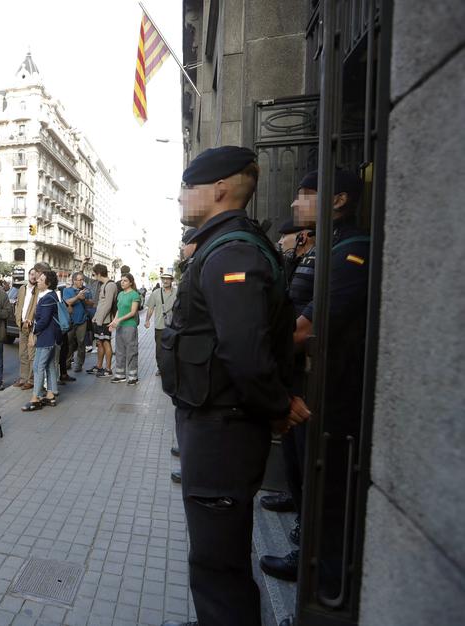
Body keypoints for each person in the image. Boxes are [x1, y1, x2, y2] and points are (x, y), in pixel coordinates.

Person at [159, 146, 310, 626]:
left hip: (222, 428)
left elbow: (245, 350)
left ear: (220, 188)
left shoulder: (232, 252)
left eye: (188, 187)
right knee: (216, 550)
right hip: (217, 421)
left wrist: (276, 405)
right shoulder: (223, 245)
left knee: (217, 559)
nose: (181, 196)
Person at [259, 168, 367, 591]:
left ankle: (324, 590)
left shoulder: (351, 251)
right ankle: (309, 558)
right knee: (305, 475)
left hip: (332, 390)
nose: (293, 202)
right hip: (307, 381)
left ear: (338, 200)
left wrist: (257, 353)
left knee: (328, 491)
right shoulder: (323, 248)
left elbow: (305, 330)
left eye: (306, 194)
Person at [21, 270, 61, 411]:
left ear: (48, 283)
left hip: (46, 338)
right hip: (51, 337)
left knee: (38, 366)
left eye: (41, 279)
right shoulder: (50, 295)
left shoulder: (48, 298)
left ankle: (35, 398)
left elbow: (43, 321)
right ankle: (51, 394)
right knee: (49, 365)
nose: (37, 281)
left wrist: (33, 331)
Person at [109, 272, 142, 385]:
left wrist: (119, 320)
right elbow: (119, 310)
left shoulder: (134, 295)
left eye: (125, 281)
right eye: (121, 280)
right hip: (120, 326)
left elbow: (133, 312)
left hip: (130, 326)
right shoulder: (120, 294)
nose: (122, 283)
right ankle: (120, 375)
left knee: (131, 351)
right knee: (119, 351)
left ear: (131, 283)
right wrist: (114, 322)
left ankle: (133, 377)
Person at [145, 270, 177, 376]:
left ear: (171, 280)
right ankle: (161, 368)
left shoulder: (177, 292)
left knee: (173, 348)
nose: (165, 281)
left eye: (168, 279)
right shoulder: (156, 293)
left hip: (174, 326)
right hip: (159, 326)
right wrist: (147, 320)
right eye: (164, 279)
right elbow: (150, 308)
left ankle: (172, 367)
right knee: (159, 349)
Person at [88, 264, 117, 377]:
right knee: (99, 343)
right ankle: (99, 366)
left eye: (94, 274)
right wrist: (95, 317)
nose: (94, 276)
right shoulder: (104, 285)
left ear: (99, 273)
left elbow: (108, 305)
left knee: (106, 342)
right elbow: (101, 304)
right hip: (99, 319)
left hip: (105, 321)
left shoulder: (110, 285)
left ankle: (108, 369)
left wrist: (99, 319)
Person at [62, 271, 93, 373]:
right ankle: (67, 362)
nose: (81, 282)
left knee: (81, 343)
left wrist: (84, 299)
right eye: (79, 280)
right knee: (69, 343)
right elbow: (67, 302)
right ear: (74, 281)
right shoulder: (67, 290)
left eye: (82, 280)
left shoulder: (86, 290)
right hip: (70, 321)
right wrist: (77, 297)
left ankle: (79, 364)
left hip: (82, 320)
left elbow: (92, 304)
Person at [12, 268, 38, 390]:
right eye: (32, 274)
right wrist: (17, 317)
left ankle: (31, 380)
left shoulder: (39, 290)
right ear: (28, 275)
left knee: (31, 354)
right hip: (22, 325)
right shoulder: (23, 288)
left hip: (32, 327)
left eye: (35, 275)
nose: (33, 277)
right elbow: (18, 304)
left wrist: (32, 320)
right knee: (22, 353)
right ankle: (23, 378)